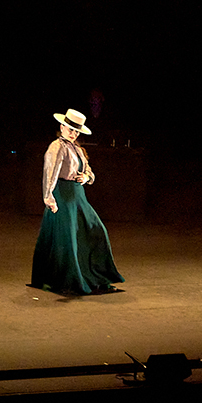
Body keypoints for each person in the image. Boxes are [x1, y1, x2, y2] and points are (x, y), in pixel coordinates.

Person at [30, 109, 124, 295]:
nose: (73, 133)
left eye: (76, 131)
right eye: (70, 129)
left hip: (78, 196)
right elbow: (50, 173)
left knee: (96, 231)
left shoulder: (78, 149)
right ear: (62, 127)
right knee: (67, 238)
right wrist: (49, 197)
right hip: (63, 196)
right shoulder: (56, 147)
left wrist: (86, 177)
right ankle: (68, 280)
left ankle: (95, 277)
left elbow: (90, 172)